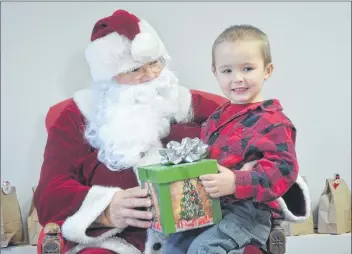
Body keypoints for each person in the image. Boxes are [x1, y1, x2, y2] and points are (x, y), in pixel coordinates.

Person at [33, 9, 225, 254]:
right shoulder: (76, 117)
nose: (150, 76)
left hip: (199, 235)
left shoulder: (195, 106)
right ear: (109, 76)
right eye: (135, 69)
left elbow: (252, 143)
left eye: (155, 63)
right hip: (118, 242)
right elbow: (50, 193)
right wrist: (105, 209)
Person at [162, 25, 311, 254]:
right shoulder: (214, 119)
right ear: (215, 72)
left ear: (267, 70)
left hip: (248, 212)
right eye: (227, 71)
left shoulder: (273, 121)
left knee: (204, 249)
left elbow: (284, 169)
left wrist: (236, 181)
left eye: (248, 68)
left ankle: (253, 248)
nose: (237, 79)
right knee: (171, 245)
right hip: (211, 207)